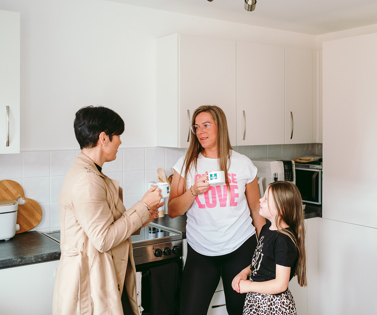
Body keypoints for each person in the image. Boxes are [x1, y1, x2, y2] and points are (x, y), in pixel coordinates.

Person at [52, 106, 163, 315]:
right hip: (89, 285)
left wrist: (142, 218)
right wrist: (143, 205)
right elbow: (103, 239)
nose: (120, 141)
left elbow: (104, 225)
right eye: (118, 135)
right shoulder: (87, 180)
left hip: (99, 277)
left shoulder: (91, 173)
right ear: (104, 138)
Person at [167, 105, 266, 315]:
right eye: (196, 127)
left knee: (241, 311)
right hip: (201, 251)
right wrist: (193, 191)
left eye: (206, 125)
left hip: (240, 247)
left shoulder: (243, 164)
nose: (200, 131)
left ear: (220, 127)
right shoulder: (185, 165)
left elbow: (257, 210)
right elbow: (173, 210)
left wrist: (264, 248)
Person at [232, 181, 307, 315]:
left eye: (266, 199)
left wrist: (248, 285)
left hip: (272, 304)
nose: (260, 199)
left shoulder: (283, 240)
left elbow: (280, 284)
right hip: (257, 299)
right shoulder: (266, 228)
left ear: (281, 209)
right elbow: (262, 261)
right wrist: (244, 272)